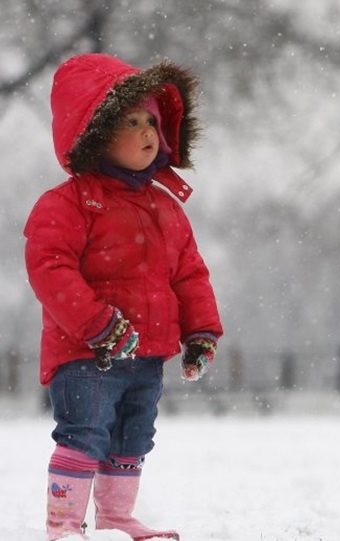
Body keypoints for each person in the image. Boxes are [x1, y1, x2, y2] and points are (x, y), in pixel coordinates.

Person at [24, 53, 224, 541]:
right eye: (130, 122)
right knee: (85, 433)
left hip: (147, 353)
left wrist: (200, 331)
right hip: (87, 352)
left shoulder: (164, 207)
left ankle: (116, 517)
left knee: (132, 438)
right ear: (94, 133)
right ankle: (65, 525)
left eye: (151, 121)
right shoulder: (68, 204)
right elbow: (50, 269)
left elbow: (189, 273)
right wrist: (94, 321)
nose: (147, 131)